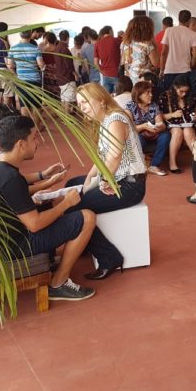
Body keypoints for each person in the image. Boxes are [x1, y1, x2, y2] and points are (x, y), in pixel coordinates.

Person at [0, 115, 96, 301]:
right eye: (34, 138)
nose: (37, 143)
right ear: (21, 144)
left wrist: (44, 182)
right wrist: (67, 203)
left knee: (52, 203)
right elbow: (35, 225)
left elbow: (14, 198)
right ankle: (59, 283)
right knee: (87, 217)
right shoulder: (10, 178)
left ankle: (56, 260)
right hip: (14, 247)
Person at [67, 83, 147, 279]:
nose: (82, 107)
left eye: (86, 102)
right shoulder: (105, 121)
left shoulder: (115, 120)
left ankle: (109, 258)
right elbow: (102, 159)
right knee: (71, 185)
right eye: (79, 103)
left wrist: (104, 181)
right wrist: (89, 179)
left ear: (101, 101)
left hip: (129, 185)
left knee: (73, 209)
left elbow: (115, 156)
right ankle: (84, 239)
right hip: (117, 178)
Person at [0, 103, 67, 220]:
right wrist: (49, 183)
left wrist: (42, 175)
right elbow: (13, 187)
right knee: (62, 206)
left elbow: (12, 182)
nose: (37, 142)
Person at [126, 80, 170, 176]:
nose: (151, 95)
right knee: (137, 137)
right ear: (139, 95)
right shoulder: (130, 106)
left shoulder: (154, 106)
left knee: (165, 135)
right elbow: (128, 128)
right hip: (139, 134)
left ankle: (154, 165)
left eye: (151, 92)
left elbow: (161, 124)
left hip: (153, 134)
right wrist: (143, 127)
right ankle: (137, 165)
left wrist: (158, 127)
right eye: (148, 93)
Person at [159, 74, 196, 174]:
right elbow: (159, 116)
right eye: (181, 91)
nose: (184, 94)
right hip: (172, 125)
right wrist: (172, 115)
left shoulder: (190, 96)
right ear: (174, 87)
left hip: (188, 125)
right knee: (177, 132)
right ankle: (172, 163)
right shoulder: (165, 96)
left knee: (188, 131)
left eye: (186, 91)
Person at [7, 30, 44, 118]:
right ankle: (36, 126)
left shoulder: (13, 48)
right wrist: (43, 67)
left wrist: (16, 76)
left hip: (21, 80)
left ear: (20, 35)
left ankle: (27, 125)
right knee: (37, 105)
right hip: (35, 80)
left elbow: (10, 66)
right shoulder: (35, 48)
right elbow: (41, 65)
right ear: (30, 35)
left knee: (24, 104)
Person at [159, 9, 196, 92]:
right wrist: (191, 65)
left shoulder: (169, 30)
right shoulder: (193, 34)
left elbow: (163, 52)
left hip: (169, 69)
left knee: (169, 95)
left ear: (178, 18)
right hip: (185, 70)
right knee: (183, 96)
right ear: (189, 20)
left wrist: (162, 69)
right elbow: (195, 55)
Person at [121, 15, 159, 83]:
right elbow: (156, 63)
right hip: (143, 80)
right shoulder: (147, 44)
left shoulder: (125, 43)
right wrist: (154, 44)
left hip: (129, 79)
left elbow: (123, 61)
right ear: (147, 29)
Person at [53, 30, 79, 113]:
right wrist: (75, 75)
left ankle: (63, 116)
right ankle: (67, 117)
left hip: (60, 77)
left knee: (64, 98)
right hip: (67, 77)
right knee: (68, 99)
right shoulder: (65, 49)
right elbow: (69, 65)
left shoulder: (57, 48)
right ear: (68, 38)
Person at [94, 26, 121, 93]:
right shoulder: (117, 40)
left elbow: (96, 63)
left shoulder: (97, 44)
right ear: (110, 31)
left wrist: (102, 72)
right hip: (117, 73)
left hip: (105, 75)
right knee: (118, 96)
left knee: (108, 97)